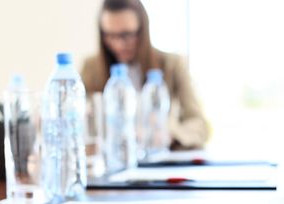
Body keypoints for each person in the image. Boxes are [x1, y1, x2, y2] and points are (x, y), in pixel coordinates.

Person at [81, 0, 209, 150]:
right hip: (113, 161)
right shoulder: (90, 68)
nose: (118, 44)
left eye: (126, 35)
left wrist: (169, 134)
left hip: (159, 160)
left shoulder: (172, 65)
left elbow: (199, 124)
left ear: (143, 30)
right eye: (109, 35)